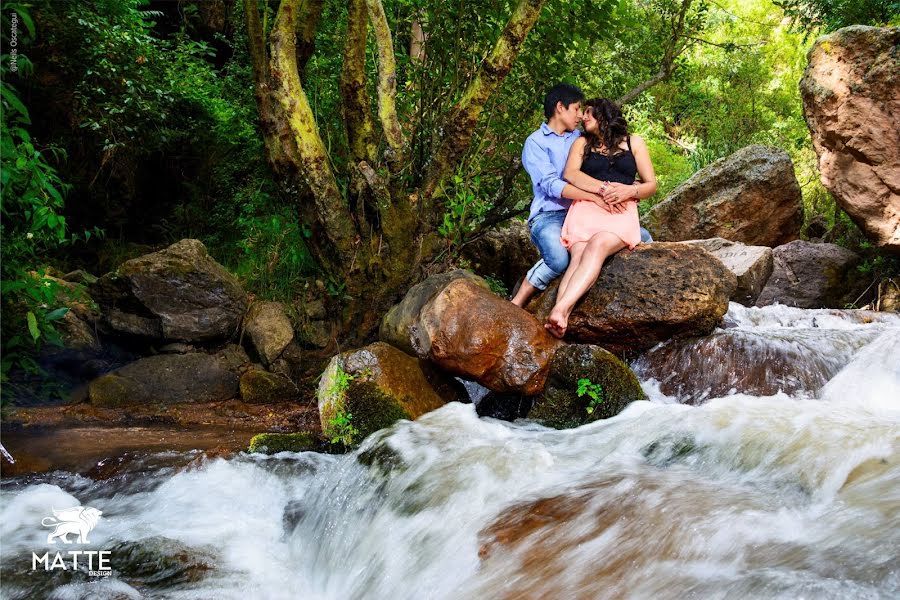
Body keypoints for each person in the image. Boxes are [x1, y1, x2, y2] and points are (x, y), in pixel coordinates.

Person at [545, 98, 658, 338]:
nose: (583, 117)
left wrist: (629, 191)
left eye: (588, 113)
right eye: (582, 112)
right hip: (587, 208)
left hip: (620, 211)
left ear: (604, 115)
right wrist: (603, 188)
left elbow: (651, 185)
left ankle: (561, 309)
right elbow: (570, 174)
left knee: (598, 245)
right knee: (577, 258)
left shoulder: (634, 142)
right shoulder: (581, 143)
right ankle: (560, 317)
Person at [510, 83, 608, 308]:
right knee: (558, 258)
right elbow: (550, 185)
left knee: (637, 236)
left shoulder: (581, 139)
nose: (581, 116)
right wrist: (592, 196)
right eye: (576, 109)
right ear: (560, 107)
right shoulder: (536, 142)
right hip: (549, 215)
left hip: (582, 212)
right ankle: (519, 298)